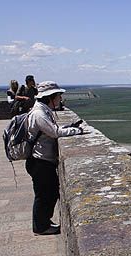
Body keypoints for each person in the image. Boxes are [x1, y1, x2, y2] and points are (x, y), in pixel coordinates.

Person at [26, 81, 84, 235]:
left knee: (49, 193)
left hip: (42, 160)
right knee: (44, 194)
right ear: (50, 97)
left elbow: (51, 130)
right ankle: (40, 227)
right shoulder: (39, 113)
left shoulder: (42, 110)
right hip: (40, 161)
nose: (60, 99)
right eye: (58, 96)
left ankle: (44, 223)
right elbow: (54, 132)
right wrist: (75, 131)